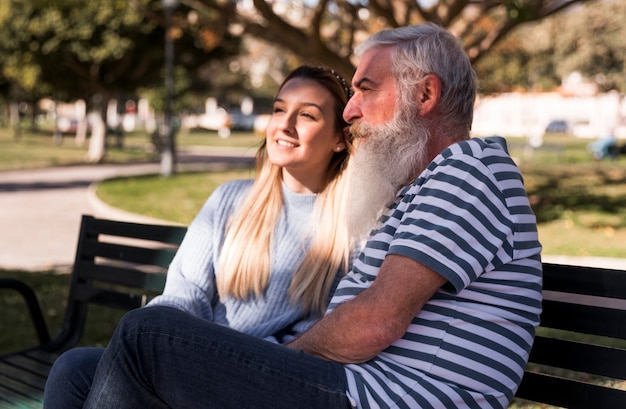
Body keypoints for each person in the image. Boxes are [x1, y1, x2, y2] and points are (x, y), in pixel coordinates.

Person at [66, 22, 543, 409]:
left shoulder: (469, 171)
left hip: (388, 398)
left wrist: (265, 363)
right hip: (357, 388)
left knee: (145, 333)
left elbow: (376, 323)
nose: (351, 111)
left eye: (365, 89)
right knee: (80, 372)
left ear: (425, 94)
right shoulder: (427, 186)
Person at [43, 65, 355, 408]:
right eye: (279, 109)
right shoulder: (231, 199)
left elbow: (326, 333)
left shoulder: (351, 227)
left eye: (307, 115)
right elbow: (186, 290)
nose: (285, 124)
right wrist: (158, 338)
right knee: (73, 368)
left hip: (270, 378)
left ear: (340, 139)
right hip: (194, 360)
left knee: (138, 336)